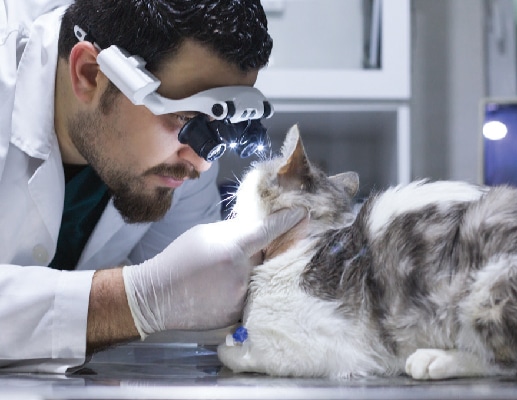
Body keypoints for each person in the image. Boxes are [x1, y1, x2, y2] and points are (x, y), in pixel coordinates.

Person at [0, 0, 305, 373]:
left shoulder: (180, 160)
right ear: (91, 74)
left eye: (221, 130)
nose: (203, 161)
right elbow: (156, 299)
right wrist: (136, 300)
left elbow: (197, 314)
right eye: (187, 119)